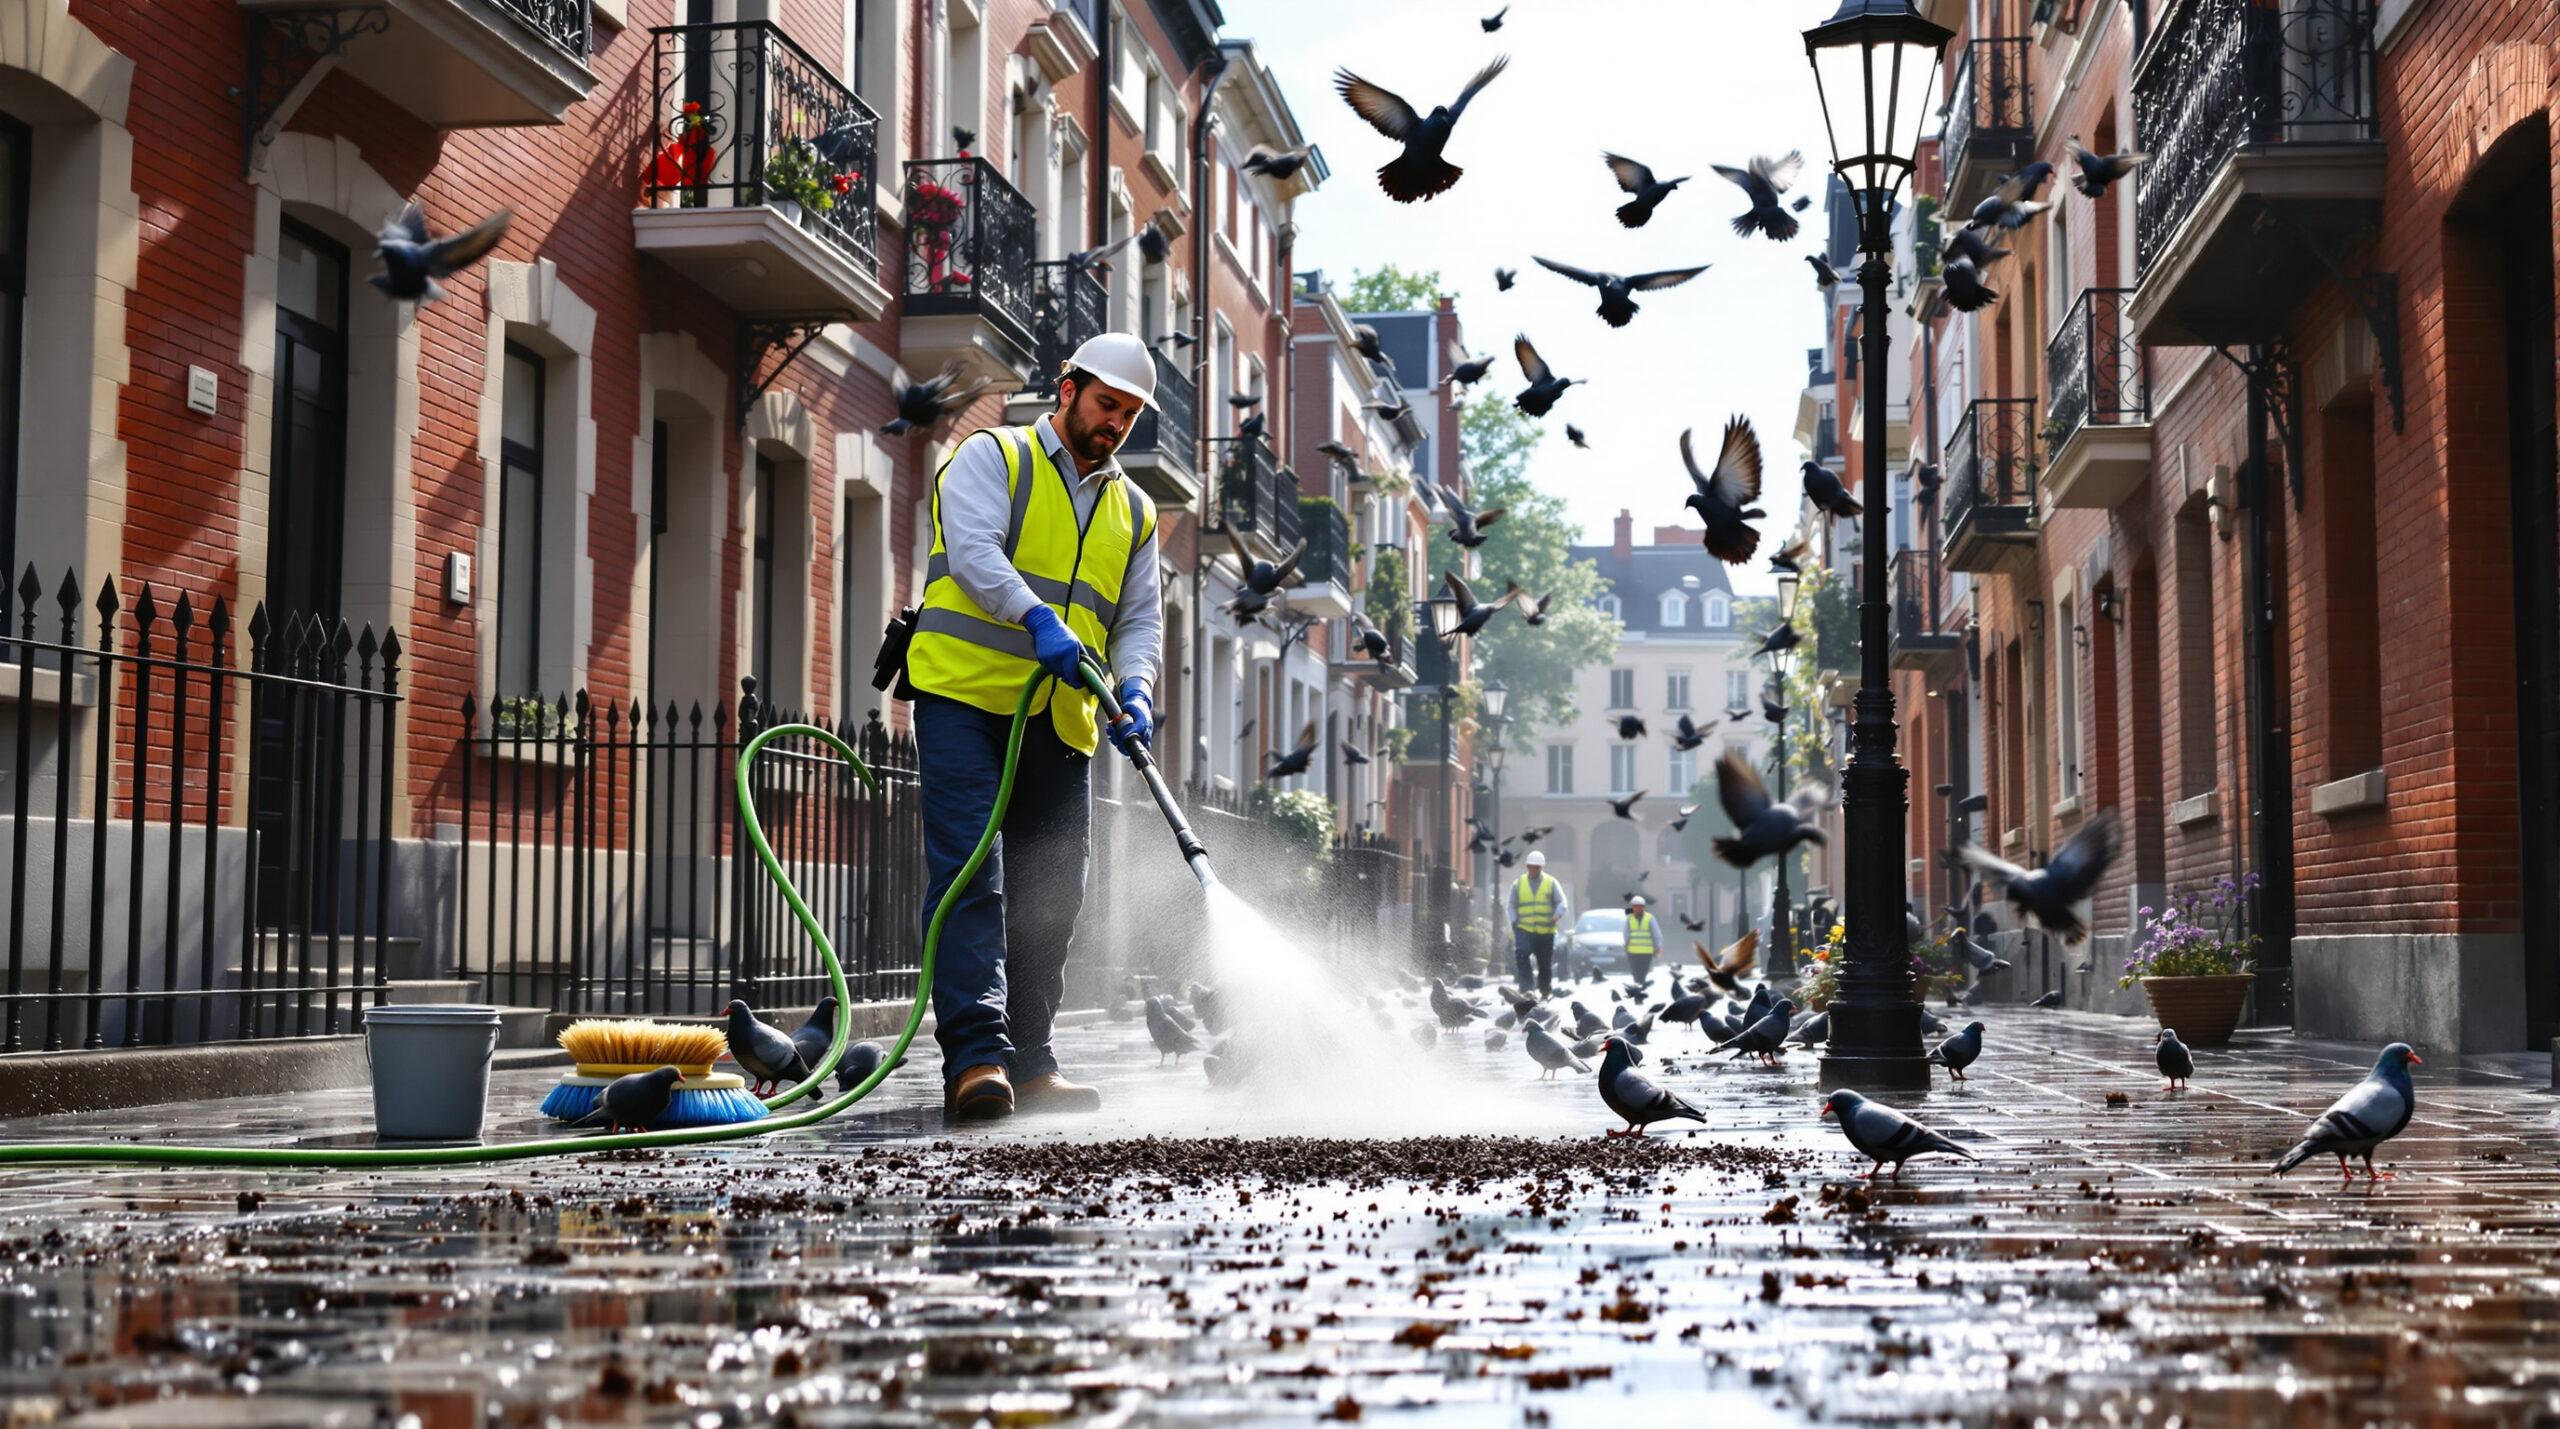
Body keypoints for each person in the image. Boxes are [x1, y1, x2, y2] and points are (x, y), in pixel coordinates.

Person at [903, 332, 1163, 1121]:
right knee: (971, 875)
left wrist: (1138, 688)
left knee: (1054, 892)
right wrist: (1036, 618)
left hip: (1063, 719)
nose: (1114, 422)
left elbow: (1140, 619)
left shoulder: (1135, 511)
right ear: (1069, 388)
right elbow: (975, 554)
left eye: (1128, 413)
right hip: (965, 698)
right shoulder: (995, 456)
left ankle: (1033, 1057)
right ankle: (978, 1058)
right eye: (1105, 403)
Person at [1505, 850, 1570, 997]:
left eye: (1537, 867)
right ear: (1527, 866)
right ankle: (1527, 988)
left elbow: (1562, 901)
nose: (1534, 869)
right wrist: (1513, 920)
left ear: (1542, 867)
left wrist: (1557, 914)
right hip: (1524, 929)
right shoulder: (1519, 883)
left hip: (1545, 930)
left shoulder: (1551, 883)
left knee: (1544, 962)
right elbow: (1511, 905)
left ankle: (1545, 990)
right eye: (1532, 866)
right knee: (1521, 955)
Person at [1623, 894, 1661, 986]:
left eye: (1639, 907)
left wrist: (1658, 947)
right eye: (1635, 907)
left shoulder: (1650, 918)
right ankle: (1638, 988)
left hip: (1646, 952)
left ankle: (1640, 987)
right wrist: (1626, 945)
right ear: (1632, 908)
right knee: (1636, 973)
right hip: (1633, 952)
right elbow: (1626, 934)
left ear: (1643, 908)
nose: (1637, 909)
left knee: (1643, 973)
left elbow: (1657, 934)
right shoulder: (1629, 919)